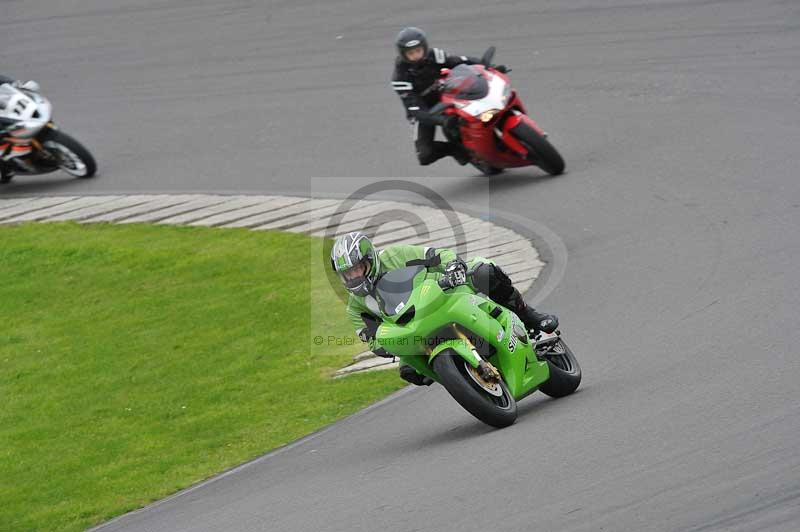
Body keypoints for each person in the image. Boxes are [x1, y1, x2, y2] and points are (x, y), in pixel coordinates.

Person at [330, 231, 558, 386]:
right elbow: (371, 338)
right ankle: (464, 379)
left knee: (484, 272)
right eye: (348, 274)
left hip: (446, 292)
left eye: (358, 269)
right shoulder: (356, 306)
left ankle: (529, 316)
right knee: (409, 370)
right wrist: (383, 345)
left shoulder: (395, 256)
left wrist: (453, 267)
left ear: (370, 259)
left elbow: (436, 255)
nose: (354, 277)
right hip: (414, 328)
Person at [390, 27, 508, 167]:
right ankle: (455, 149)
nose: (416, 55)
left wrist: (488, 67)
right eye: (411, 53)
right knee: (425, 155)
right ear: (404, 55)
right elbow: (416, 111)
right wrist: (442, 120)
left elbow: (459, 61)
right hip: (425, 110)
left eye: (418, 50)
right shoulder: (400, 78)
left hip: (448, 95)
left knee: (482, 100)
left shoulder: (434, 55)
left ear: (424, 47)